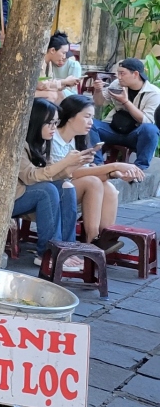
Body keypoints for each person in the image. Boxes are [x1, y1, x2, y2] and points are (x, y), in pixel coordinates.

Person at [53, 94, 142, 251]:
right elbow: (70, 173)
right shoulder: (54, 138)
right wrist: (114, 166)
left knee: (109, 188)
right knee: (93, 182)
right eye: (87, 117)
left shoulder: (78, 139)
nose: (91, 123)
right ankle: (91, 239)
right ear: (70, 116)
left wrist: (114, 174)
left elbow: (84, 172)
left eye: (92, 117)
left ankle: (105, 238)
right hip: (54, 187)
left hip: (72, 184)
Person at [16, 99, 83, 265]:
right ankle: (47, 254)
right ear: (36, 121)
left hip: (28, 193)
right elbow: (30, 176)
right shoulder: (19, 144)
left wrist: (71, 167)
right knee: (47, 190)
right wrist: (65, 162)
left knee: (66, 188)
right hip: (10, 199)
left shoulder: (42, 141)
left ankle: (66, 249)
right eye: (50, 123)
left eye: (56, 122)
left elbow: (51, 173)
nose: (54, 128)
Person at [91, 58, 160, 169]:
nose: (119, 77)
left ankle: (140, 168)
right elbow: (100, 102)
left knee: (151, 130)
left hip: (135, 134)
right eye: (118, 73)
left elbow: (147, 121)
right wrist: (98, 91)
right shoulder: (117, 84)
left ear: (136, 74)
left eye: (122, 73)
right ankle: (96, 164)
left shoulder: (153, 93)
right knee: (89, 124)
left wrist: (126, 102)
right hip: (113, 129)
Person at [36, 32, 82, 103]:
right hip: (26, 92)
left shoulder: (50, 63)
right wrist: (64, 81)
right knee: (52, 95)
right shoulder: (39, 62)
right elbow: (41, 84)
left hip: (38, 90)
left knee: (59, 94)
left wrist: (66, 84)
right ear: (52, 50)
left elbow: (49, 82)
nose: (64, 57)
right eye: (63, 53)